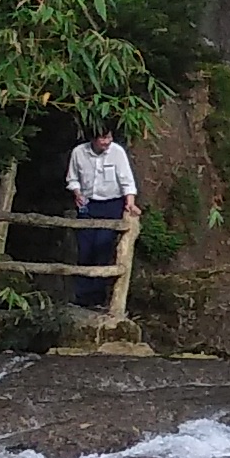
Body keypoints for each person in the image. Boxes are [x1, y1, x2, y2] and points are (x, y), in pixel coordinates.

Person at [65, 121, 139, 316]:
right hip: (87, 204)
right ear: (93, 139)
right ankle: (81, 297)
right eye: (103, 138)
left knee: (103, 247)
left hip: (111, 204)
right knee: (85, 248)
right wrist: (77, 192)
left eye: (109, 137)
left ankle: (97, 297)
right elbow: (72, 178)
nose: (107, 142)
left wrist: (130, 203)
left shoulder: (117, 153)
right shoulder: (78, 153)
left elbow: (127, 181)